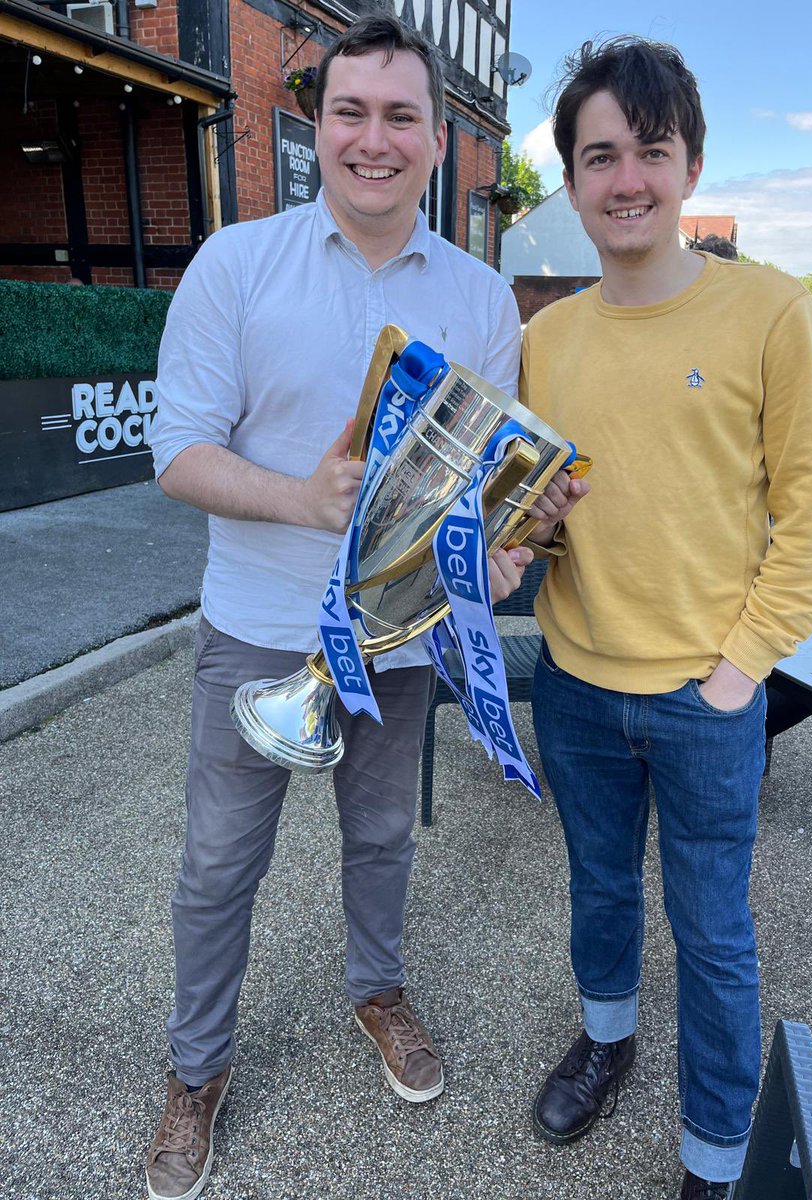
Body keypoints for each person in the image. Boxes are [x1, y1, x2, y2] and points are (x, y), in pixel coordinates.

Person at [145, 15, 536, 1200]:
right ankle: (193, 1073)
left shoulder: (482, 298)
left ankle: (378, 992)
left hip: (399, 636)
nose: (375, 139)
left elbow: (483, 489)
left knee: (379, 842)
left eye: (400, 115)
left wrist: (496, 561)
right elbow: (176, 453)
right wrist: (305, 501)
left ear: (440, 138)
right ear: (320, 127)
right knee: (219, 867)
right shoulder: (237, 262)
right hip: (253, 633)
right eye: (352, 113)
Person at [519, 36, 812, 1200]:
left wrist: (737, 672)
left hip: (707, 698)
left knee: (713, 938)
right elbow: (538, 523)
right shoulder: (545, 340)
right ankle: (608, 1040)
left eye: (649, 151)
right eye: (599, 155)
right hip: (573, 683)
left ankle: (714, 1154)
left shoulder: (771, 312)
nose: (626, 180)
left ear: (690, 164)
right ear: (570, 180)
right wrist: (526, 537)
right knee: (599, 892)